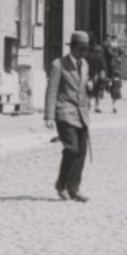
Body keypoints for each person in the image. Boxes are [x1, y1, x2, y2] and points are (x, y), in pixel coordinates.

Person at [44, 30, 93, 202]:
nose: (83, 53)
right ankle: (61, 184)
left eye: (86, 49)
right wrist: (49, 116)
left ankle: (74, 189)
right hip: (64, 112)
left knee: (81, 152)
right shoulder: (59, 65)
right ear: (72, 47)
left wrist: (89, 87)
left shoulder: (85, 64)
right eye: (80, 49)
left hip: (81, 114)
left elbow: (83, 88)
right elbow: (52, 91)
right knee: (71, 149)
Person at [87, 37, 108, 114]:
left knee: (89, 92)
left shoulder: (88, 56)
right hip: (98, 77)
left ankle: (88, 104)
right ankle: (97, 107)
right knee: (97, 93)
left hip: (89, 76)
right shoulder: (100, 57)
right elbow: (104, 67)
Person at [108, 44, 123, 114]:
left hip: (113, 88)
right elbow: (121, 85)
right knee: (116, 99)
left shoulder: (115, 58)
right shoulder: (116, 58)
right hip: (116, 74)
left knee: (114, 99)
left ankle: (114, 107)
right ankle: (115, 107)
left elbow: (110, 84)